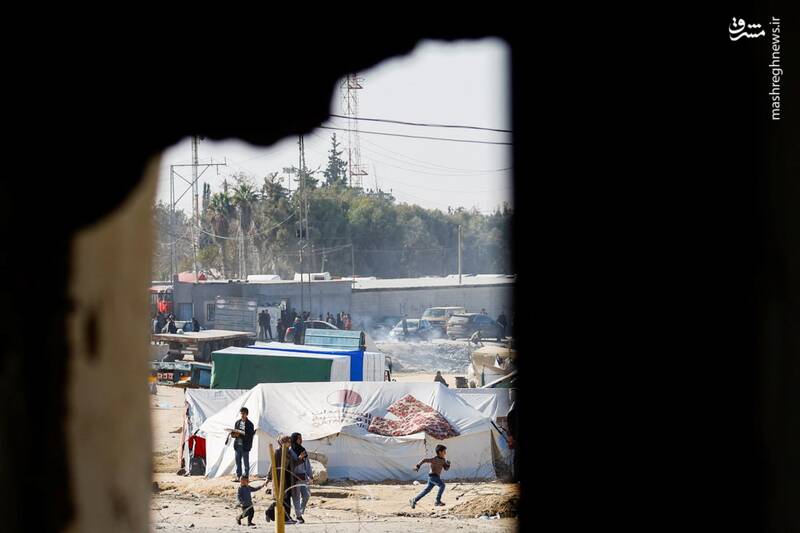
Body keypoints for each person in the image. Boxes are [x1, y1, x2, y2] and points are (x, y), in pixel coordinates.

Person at [266, 435, 297, 524]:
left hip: (288, 478)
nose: (290, 443)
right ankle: (271, 513)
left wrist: (300, 459)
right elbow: (272, 464)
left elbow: (292, 463)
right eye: (288, 441)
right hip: (279, 478)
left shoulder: (288, 452)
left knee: (286, 498)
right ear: (283, 442)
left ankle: (286, 517)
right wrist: (268, 477)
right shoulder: (278, 451)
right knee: (281, 499)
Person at [289, 432, 312, 524]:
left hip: (303, 477)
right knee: (296, 497)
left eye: (301, 438)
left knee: (306, 495)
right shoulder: (290, 451)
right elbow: (290, 465)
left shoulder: (303, 450)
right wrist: (299, 458)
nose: (301, 440)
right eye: (299, 438)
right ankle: (299, 516)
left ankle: (299, 512)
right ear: (294, 439)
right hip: (294, 477)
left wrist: (310, 475)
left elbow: (307, 464)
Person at [230, 407, 256, 482]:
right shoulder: (237, 422)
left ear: (246, 414)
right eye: (241, 413)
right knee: (238, 462)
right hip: (237, 445)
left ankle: (246, 477)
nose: (242, 415)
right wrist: (233, 434)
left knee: (246, 463)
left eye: (243, 413)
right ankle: (239, 477)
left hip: (245, 446)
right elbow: (234, 433)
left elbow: (250, 436)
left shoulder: (250, 424)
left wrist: (240, 435)